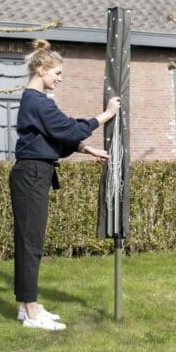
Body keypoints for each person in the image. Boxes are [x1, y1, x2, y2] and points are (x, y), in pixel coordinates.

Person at [9, 39, 120, 331]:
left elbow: (54, 139)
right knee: (30, 243)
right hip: (32, 174)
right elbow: (68, 128)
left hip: (35, 172)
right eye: (57, 72)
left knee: (30, 241)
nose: (60, 78)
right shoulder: (37, 101)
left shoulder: (35, 102)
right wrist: (105, 116)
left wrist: (87, 150)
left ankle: (27, 305)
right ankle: (31, 312)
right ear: (42, 69)